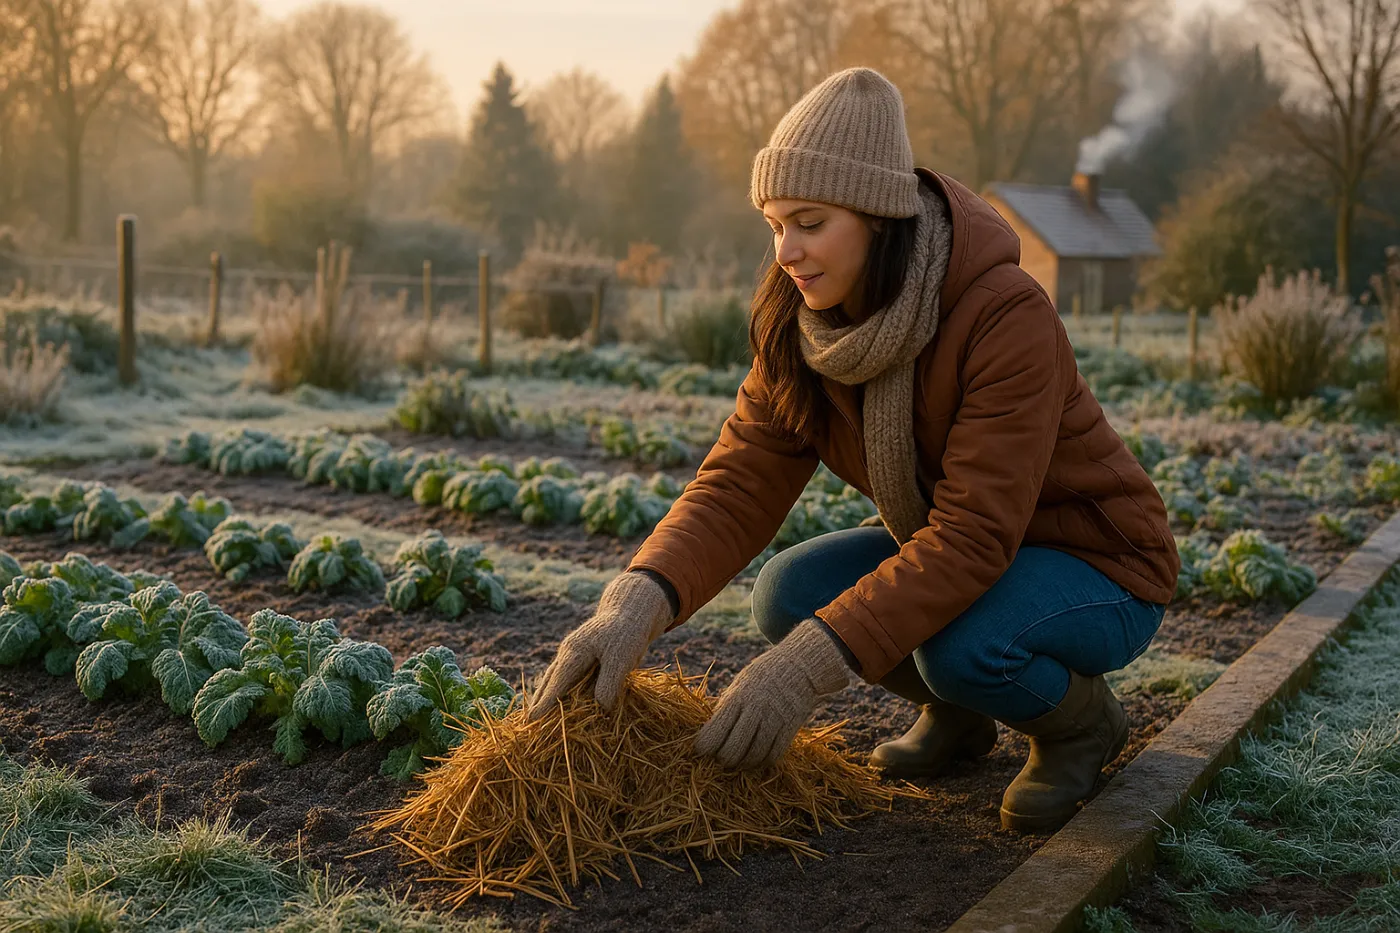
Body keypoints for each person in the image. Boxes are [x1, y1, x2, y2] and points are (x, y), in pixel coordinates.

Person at [526, 67, 1180, 835]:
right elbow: (737, 484)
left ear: (878, 217)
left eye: (810, 221)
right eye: (773, 224)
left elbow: (975, 536)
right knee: (788, 593)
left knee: (965, 646)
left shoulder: (1003, 313)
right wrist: (630, 606)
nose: (787, 251)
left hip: (1095, 563)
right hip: (967, 551)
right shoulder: (800, 326)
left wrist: (803, 671)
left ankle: (1082, 724)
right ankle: (961, 721)